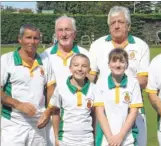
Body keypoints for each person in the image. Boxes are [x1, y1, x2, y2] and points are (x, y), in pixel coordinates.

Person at [89, 6, 149, 146]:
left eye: (121, 22)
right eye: (113, 22)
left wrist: (122, 89)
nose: (116, 26)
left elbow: (143, 80)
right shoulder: (97, 45)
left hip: (133, 108)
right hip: (104, 110)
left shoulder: (141, 46)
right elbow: (91, 77)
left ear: (128, 25)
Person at [1, 24, 56, 146]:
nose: (32, 41)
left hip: (38, 123)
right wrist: (19, 105)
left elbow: (51, 89)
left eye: (36, 38)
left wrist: (48, 111)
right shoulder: (6, 60)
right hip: (14, 124)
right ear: (20, 39)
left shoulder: (45, 61)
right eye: (28, 37)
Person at [41, 15, 90, 146]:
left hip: (79, 124)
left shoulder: (86, 55)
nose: (63, 34)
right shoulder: (44, 56)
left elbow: (91, 88)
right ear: (55, 33)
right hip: (53, 120)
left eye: (67, 29)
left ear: (74, 33)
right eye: (60, 30)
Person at [94, 49, 143, 146]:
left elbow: (133, 112)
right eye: (114, 61)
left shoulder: (133, 83)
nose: (118, 65)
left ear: (127, 65)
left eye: (122, 61)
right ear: (109, 64)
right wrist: (110, 138)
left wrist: (120, 136)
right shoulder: (100, 82)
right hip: (106, 139)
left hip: (127, 139)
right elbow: (99, 112)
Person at [48, 54, 95, 146]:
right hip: (65, 140)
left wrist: (95, 137)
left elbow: (95, 116)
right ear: (70, 68)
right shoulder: (61, 88)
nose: (80, 69)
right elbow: (55, 113)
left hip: (87, 140)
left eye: (84, 66)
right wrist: (56, 138)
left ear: (89, 70)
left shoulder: (94, 89)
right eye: (76, 65)